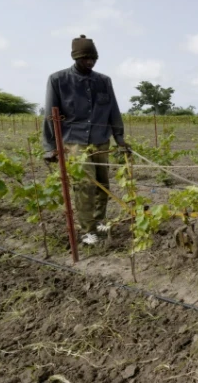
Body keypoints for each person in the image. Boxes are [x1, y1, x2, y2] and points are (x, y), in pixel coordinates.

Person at [42, 34, 130, 245]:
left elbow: (113, 111)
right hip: (75, 142)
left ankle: (99, 220)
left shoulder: (104, 81)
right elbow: (50, 116)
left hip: (101, 140)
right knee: (84, 185)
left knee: (102, 183)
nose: (89, 62)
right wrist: (49, 147)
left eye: (93, 59)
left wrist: (120, 139)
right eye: (85, 59)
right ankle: (87, 229)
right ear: (75, 58)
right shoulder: (58, 80)